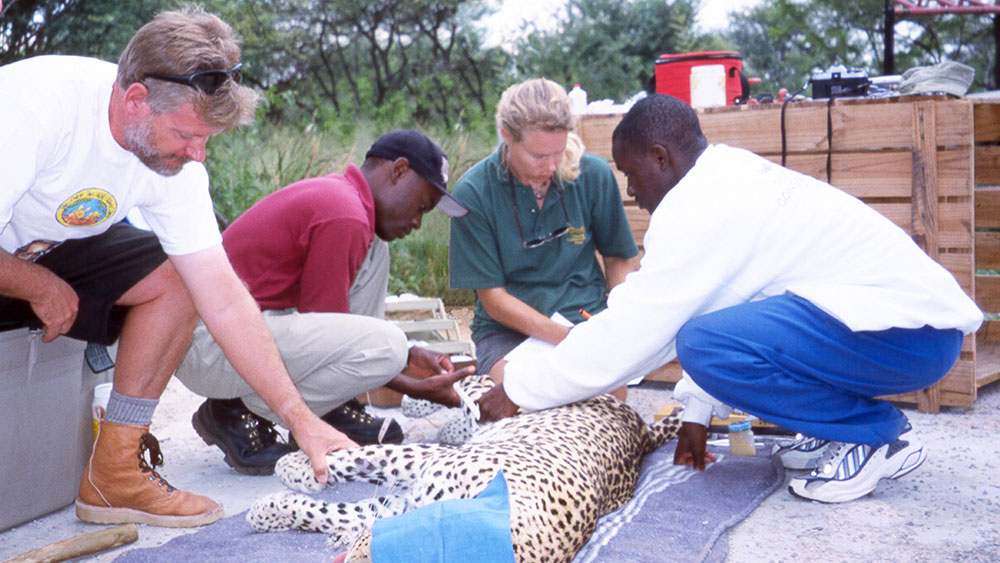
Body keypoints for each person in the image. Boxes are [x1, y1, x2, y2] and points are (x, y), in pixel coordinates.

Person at [478, 94, 983, 504]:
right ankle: (837, 428)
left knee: (702, 345)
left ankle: (876, 435)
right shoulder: (725, 176)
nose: (631, 191)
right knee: (710, 337)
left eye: (632, 174)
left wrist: (520, 389)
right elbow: (718, 307)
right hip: (910, 332)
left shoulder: (698, 211)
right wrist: (696, 415)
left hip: (908, 337)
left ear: (661, 156)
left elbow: (636, 337)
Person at [0, 7, 354, 527]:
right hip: (20, 262)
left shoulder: (175, 161)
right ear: (136, 101)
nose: (199, 154)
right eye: (189, 135)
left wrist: (301, 420)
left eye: (207, 138)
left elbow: (224, 298)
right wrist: (35, 282)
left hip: (39, 250)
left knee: (179, 279)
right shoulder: (34, 108)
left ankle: (115, 472)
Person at [173, 130, 475, 475]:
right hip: (207, 346)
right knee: (387, 346)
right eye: (421, 206)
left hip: (228, 338)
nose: (418, 223)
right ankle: (237, 409)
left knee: (379, 252)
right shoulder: (344, 214)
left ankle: (332, 406)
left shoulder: (343, 201)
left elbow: (333, 331)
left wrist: (407, 359)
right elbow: (335, 339)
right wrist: (405, 372)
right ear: (399, 171)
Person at [448, 78, 640, 389]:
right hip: (508, 331)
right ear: (507, 137)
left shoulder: (593, 175)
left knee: (601, 407)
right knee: (524, 393)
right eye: (538, 156)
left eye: (559, 152)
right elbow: (494, 299)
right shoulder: (474, 191)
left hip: (585, 320)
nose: (551, 165)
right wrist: (565, 340)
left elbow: (619, 256)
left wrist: (615, 322)